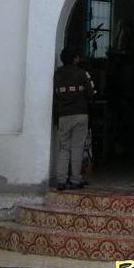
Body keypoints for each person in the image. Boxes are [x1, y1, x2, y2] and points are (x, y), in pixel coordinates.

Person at [53, 47, 95, 190]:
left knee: (64, 148)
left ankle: (61, 179)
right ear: (75, 58)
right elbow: (91, 93)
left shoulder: (57, 74)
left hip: (64, 115)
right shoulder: (82, 73)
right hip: (80, 114)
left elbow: (55, 96)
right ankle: (75, 179)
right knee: (77, 147)